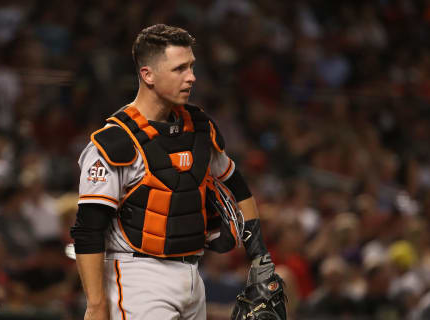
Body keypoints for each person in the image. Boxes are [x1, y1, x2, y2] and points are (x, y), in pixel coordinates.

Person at [71, 24, 284, 320]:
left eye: (192, 67)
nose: (192, 77)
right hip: (137, 277)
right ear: (148, 75)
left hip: (194, 276)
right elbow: (88, 229)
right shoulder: (114, 142)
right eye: (179, 69)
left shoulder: (198, 128)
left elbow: (236, 184)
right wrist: (95, 305)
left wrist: (259, 257)